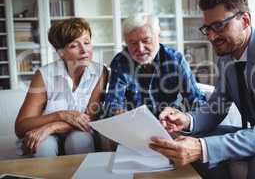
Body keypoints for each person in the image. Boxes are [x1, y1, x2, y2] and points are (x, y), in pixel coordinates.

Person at [150, 0, 255, 178]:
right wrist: (187, 119)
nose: (211, 36)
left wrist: (202, 148)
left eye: (219, 26)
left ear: (245, 20)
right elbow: (217, 107)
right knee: (193, 137)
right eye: (207, 28)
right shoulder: (226, 57)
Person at [15, 18, 108, 157]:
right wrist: (60, 115)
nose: (84, 50)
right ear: (60, 53)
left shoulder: (101, 72)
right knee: (43, 146)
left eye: (87, 42)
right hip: (47, 137)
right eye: (74, 46)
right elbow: (21, 127)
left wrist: (52, 126)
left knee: (79, 139)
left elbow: (90, 120)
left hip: (80, 132)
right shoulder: (44, 75)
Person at [104, 13, 206, 117]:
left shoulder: (175, 59)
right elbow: (113, 103)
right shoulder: (120, 61)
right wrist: (119, 113)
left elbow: (196, 100)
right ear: (126, 43)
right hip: (134, 124)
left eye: (146, 41)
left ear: (158, 37)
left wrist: (183, 116)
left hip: (169, 123)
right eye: (133, 43)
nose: (140, 49)